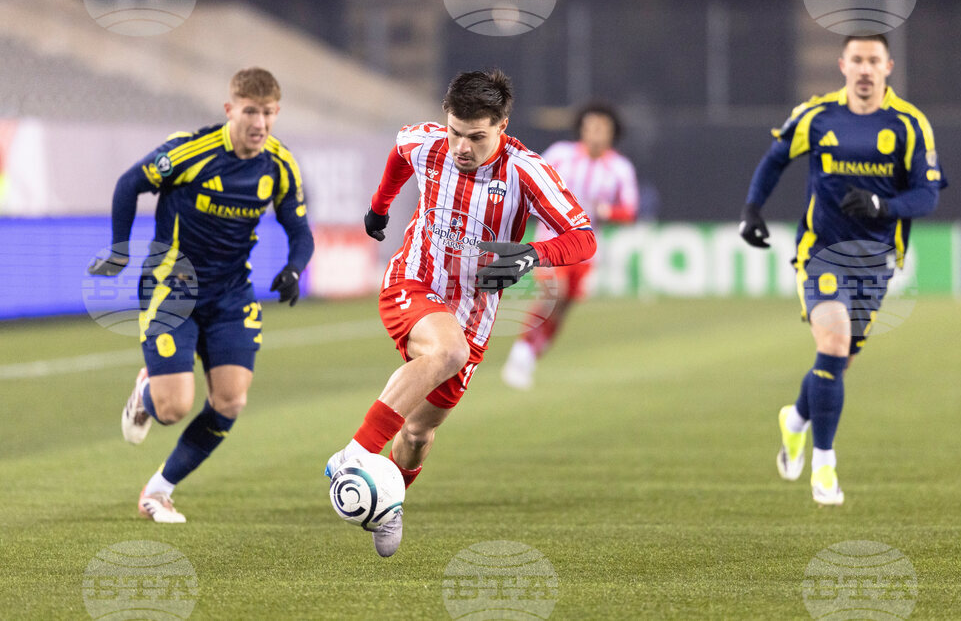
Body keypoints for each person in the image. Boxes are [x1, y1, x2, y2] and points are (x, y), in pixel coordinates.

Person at [323, 69, 596, 556]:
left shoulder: (525, 171)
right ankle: (354, 456)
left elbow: (582, 236)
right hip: (413, 281)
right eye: (455, 132)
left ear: (502, 126)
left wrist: (532, 255)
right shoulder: (427, 142)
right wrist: (380, 207)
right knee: (448, 350)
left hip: (473, 311)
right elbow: (399, 154)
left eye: (477, 137)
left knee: (419, 430)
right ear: (444, 120)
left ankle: (388, 501)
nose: (461, 147)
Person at [87, 67, 314, 523]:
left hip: (231, 293)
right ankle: (147, 389)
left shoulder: (280, 163)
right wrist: (117, 248)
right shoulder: (191, 151)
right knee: (173, 408)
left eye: (268, 113)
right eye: (250, 111)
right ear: (230, 109)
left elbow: (299, 228)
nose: (260, 124)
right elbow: (130, 183)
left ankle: (159, 491)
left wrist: (294, 267)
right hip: (174, 287)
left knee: (230, 401)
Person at [738, 35, 947, 506]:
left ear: (888, 66)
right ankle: (824, 467)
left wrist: (881, 204)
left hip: (875, 259)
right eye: (858, 60)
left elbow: (927, 195)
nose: (866, 69)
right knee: (831, 344)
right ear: (843, 65)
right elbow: (775, 160)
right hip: (821, 251)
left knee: (838, 362)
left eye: (874, 60)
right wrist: (752, 210)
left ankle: (795, 421)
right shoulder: (816, 115)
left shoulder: (911, 124)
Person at [501, 102, 638, 389]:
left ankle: (531, 355)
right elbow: (530, 182)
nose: (596, 133)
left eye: (603, 128)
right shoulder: (561, 155)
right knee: (556, 294)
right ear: (582, 129)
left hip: (586, 250)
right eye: (591, 126)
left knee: (563, 307)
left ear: (612, 133)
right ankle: (520, 353)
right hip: (551, 241)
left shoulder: (619, 168)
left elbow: (630, 210)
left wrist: (608, 212)